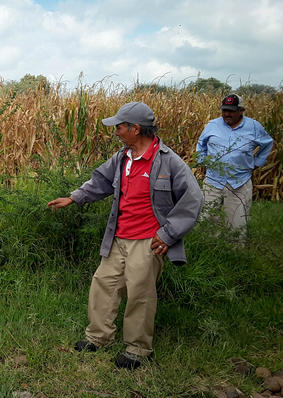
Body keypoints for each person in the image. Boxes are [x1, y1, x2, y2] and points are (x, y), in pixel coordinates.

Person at [47, 102, 203, 369]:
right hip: (118, 237)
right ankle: (98, 336)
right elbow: (100, 181)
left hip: (147, 240)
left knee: (140, 293)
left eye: (119, 127)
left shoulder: (169, 162)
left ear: (135, 129)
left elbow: (193, 199)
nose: (116, 131)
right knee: (103, 283)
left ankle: (138, 349)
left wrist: (168, 234)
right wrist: (74, 198)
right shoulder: (123, 157)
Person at [196, 94, 273, 240]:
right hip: (213, 181)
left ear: (241, 110)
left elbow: (268, 143)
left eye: (231, 111)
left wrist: (257, 162)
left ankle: (234, 253)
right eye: (224, 110)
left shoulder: (254, 127)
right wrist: (202, 160)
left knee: (237, 223)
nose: (226, 114)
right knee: (206, 220)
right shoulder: (213, 125)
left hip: (240, 182)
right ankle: (211, 248)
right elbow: (201, 144)